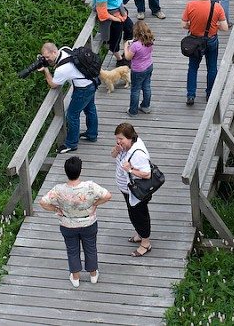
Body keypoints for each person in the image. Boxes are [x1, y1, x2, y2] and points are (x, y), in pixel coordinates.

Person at [39, 156, 112, 287]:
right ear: (80, 170)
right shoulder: (90, 186)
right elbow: (107, 196)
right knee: (90, 249)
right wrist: (95, 204)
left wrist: (56, 208)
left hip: (68, 225)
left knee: (72, 250)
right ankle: (93, 275)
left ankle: (76, 278)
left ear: (66, 172)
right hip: (88, 223)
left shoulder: (58, 189)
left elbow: (43, 202)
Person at [39, 42, 99, 153]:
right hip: (92, 81)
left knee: (72, 115)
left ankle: (71, 144)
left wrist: (46, 71)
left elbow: (53, 84)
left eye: (48, 57)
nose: (47, 60)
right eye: (45, 58)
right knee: (90, 109)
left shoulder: (61, 70)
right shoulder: (65, 49)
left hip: (83, 90)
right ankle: (92, 134)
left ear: (55, 52)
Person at [181, 0, 229, 105]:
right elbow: (225, 27)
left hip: (195, 41)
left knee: (193, 68)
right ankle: (210, 94)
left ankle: (191, 95)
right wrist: (215, 26)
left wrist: (192, 26)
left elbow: (183, 25)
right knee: (212, 67)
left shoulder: (191, 5)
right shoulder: (217, 7)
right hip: (211, 39)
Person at [111, 122, 154, 257]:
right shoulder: (123, 147)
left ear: (130, 138)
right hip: (126, 190)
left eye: (121, 139)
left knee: (139, 215)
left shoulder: (137, 154)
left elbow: (147, 174)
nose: (118, 141)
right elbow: (112, 155)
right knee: (133, 213)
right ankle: (141, 234)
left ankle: (146, 243)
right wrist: (117, 149)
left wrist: (130, 170)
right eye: (117, 138)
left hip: (136, 191)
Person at [124, 20, 154, 116]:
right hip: (149, 66)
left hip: (138, 70)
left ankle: (133, 110)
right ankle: (146, 106)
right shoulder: (150, 40)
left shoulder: (135, 46)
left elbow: (128, 57)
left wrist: (126, 46)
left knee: (135, 89)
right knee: (146, 86)